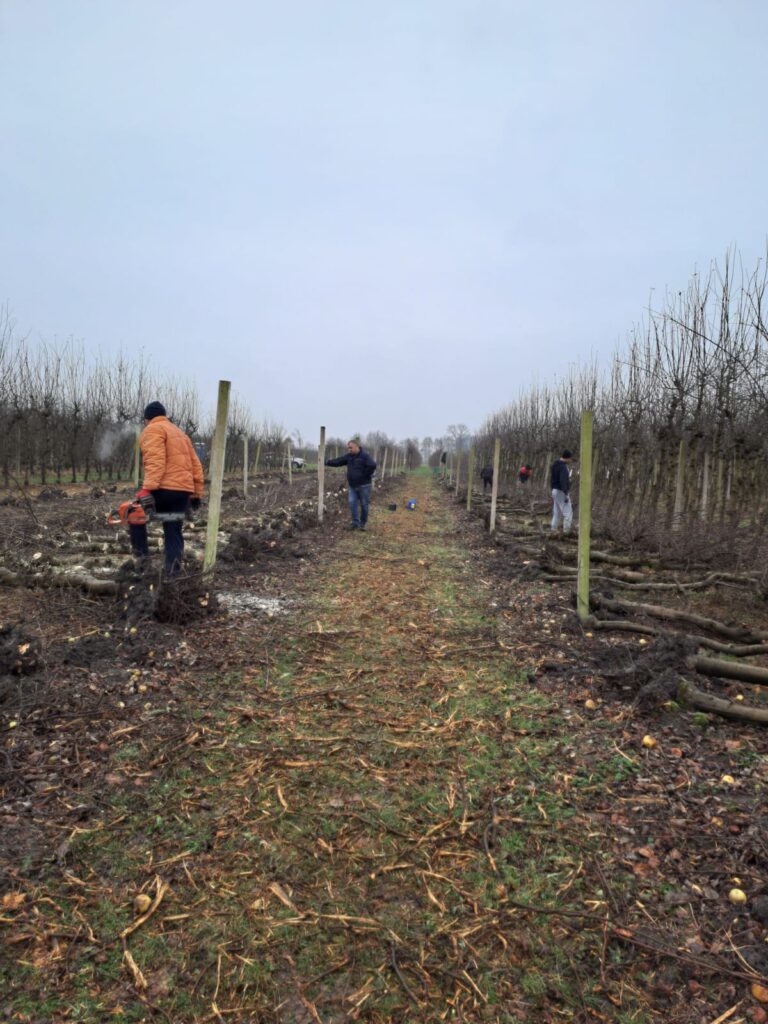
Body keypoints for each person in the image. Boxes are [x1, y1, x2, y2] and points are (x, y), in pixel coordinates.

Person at [131, 401, 205, 574]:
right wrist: (196, 495)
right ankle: (174, 574)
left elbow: (155, 462)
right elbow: (196, 466)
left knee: (134, 513)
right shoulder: (181, 434)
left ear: (147, 419)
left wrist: (147, 489)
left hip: (164, 489)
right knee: (173, 529)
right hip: (183, 493)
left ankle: (143, 566)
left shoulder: (152, 429)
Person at [325, 439, 377, 531]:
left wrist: (364, 475)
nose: (349, 449)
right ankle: (355, 523)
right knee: (352, 504)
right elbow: (339, 461)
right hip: (352, 486)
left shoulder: (365, 456)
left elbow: (372, 465)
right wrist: (327, 462)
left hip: (364, 486)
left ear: (357, 446)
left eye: (351, 447)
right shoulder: (349, 456)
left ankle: (363, 524)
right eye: (348, 448)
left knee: (364, 505)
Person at [550, 449, 574, 534]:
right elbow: (563, 480)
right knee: (568, 513)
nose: (571, 460)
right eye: (571, 459)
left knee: (557, 513)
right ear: (567, 458)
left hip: (554, 490)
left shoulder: (555, 464)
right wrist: (566, 493)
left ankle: (553, 530)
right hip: (561, 491)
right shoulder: (564, 467)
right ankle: (566, 532)